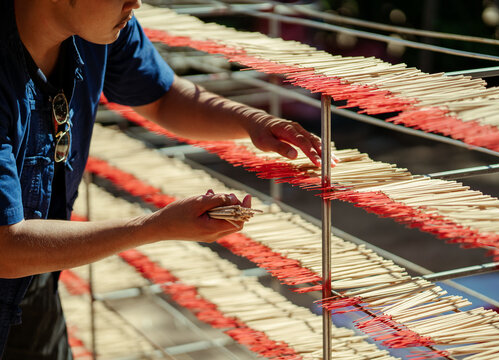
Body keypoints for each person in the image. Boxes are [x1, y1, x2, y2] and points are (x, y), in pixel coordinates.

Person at [0, 0, 323, 358]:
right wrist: (152, 227)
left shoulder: (97, 22)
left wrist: (252, 121)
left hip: (36, 274)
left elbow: (162, 96)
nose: (136, 2)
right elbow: (6, 247)